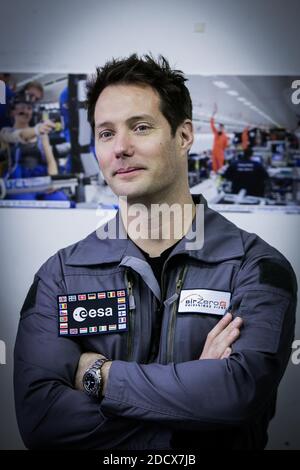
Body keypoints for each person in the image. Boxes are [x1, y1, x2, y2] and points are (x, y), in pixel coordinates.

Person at [14, 54, 297, 450]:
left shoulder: (256, 267)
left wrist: (97, 374)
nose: (121, 148)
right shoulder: (60, 274)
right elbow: (41, 419)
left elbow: (238, 394)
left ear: (183, 136)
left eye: (141, 127)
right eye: (106, 133)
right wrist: (197, 411)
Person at [210, 103, 228, 172]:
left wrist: (221, 151)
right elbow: (212, 124)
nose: (220, 128)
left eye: (221, 127)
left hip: (220, 153)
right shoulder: (216, 132)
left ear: (223, 128)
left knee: (220, 168)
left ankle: (220, 177)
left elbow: (225, 146)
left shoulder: (225, 136)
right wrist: (213, 113)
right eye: (219, 127)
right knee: (214, 168)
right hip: (214, 152)